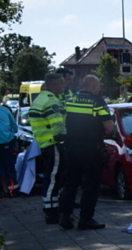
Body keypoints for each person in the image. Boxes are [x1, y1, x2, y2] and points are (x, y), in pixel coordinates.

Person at [58, 75, 113, 230]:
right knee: (91, 185)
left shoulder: (69, 100)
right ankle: (86, 219)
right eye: (99, 86)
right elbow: (109, 127)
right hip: (90, 148)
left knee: (71, 183)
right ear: (94, 87)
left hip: (71, 147)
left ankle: (65, 216)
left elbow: (63, 121)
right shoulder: (97, 102)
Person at [29, 72, 67, 224]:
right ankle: (51, 211)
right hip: (53, 143)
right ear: (53, 85)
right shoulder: (52, 101)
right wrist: (64, 140)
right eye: (61, 83)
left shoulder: (40, 99)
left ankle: (51, 206)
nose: (64, 86)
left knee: (51, 176)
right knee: (53, 177)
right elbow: (57, 125)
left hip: (44, 142)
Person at [0, 103, 18, 196]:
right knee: (9, 167)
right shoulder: (5, 110)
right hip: (6, 143)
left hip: (5, 142)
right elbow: (15, 128)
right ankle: (12, 190)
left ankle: (3, 190)